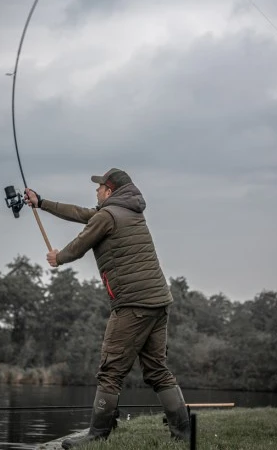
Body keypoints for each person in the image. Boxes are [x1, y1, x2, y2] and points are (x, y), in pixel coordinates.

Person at [24, 168, 190, 448]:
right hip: (159, 302)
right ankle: (184, 433)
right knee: (157, 369)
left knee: (110, 371)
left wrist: (58, 257)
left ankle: (97, 434)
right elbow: (80, 213)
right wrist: (41, 202)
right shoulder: (127, 212)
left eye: (100, 187)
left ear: (109, 191)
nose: (96, 190)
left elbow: (81, 244)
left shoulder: (108, 216)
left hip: (133, 304)